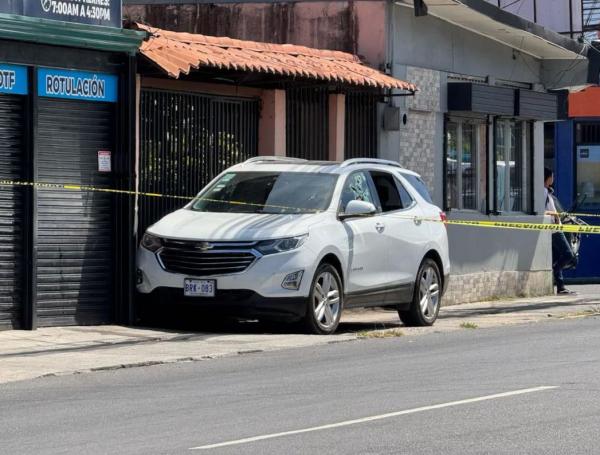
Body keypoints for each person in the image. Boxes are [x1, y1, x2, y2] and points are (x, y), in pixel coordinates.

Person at [544, 167, 576, 295]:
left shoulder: (547, 192)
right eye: (552, 176)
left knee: (557, 256)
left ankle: (561, 286)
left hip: (555, 228)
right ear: (547, 178)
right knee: (568, 254)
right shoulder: (543, 192)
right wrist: (555, 216)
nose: (553, 178)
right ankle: (555, 271)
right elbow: (542, 210)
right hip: (554, 229)